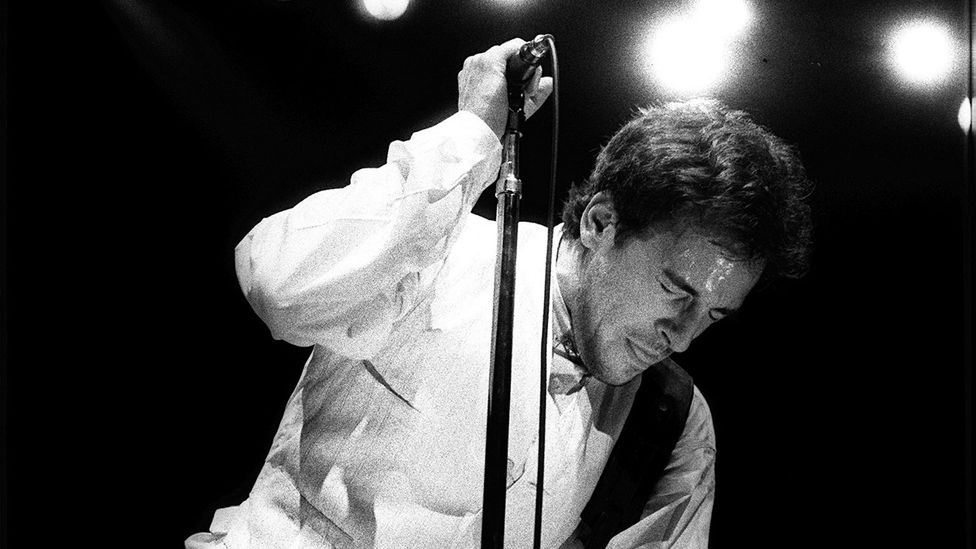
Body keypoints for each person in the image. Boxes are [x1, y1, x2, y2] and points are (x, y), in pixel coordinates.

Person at [187, 37, 812, 549]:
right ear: (600, 222)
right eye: (677, 291)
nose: (685, 334)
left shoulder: (671, 419)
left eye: (716, 314)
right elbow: (278, 283)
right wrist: (469, 135)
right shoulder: (438, 250)